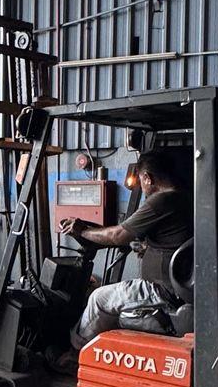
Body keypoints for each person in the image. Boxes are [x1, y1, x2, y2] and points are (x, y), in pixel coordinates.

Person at [59, 149, 193, 349]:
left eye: (140, 180)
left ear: (147, 177)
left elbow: (118, 235)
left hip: (160, 291)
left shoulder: (161, 200)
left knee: (98, 298)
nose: (141, 185)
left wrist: (82, 231)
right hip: (176, 288)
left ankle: (75, 354)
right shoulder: (186, 197)